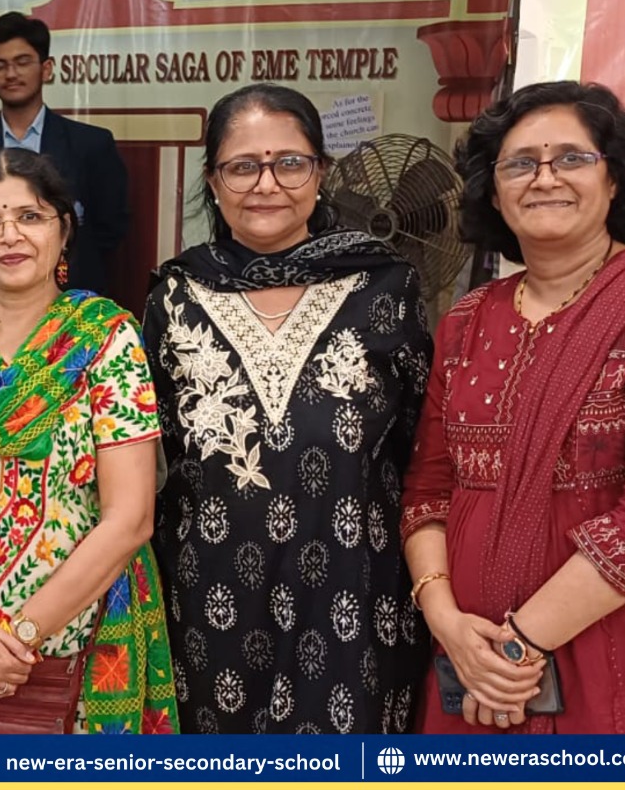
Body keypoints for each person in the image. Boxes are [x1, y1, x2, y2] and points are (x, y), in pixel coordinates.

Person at [401, 80, 625, 734]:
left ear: (614, 180)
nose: (544, 178)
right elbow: (428, 490)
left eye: (572, 158)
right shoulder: (466, 321)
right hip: (472, 669)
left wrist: (517, 648)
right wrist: (450, 627)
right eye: (519, 163)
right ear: (493, 191)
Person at [145, 84, 432, 735]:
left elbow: (419, 450)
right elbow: (156, 457)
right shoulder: (175, 295)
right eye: (243, 166)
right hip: (209, 595)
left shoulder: (385, 286)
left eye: (290, 163)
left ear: (321, 171)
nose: (266, 184)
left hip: (351, 593)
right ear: (213, 181)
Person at [0, 147, 178, 734]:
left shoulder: (105, 339)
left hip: (85, 634)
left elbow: (130, 518)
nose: (9, 236)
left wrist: (18, 637)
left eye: (30, 216)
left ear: (63, 231)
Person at [0, 12, 128, 297]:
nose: (11, 74)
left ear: (46, 68)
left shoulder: (91, 144)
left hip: (73, 297)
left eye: (22, 62)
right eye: (0, 65)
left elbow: (110, 229)